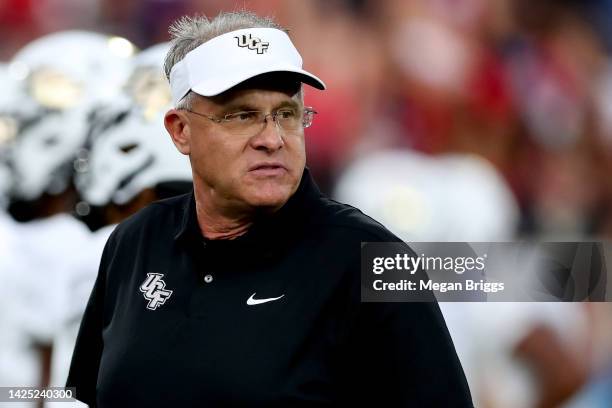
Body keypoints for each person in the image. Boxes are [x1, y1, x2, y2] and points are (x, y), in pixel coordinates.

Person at [67, 11, 472, 407]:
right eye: (243, 115)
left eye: (286, 114)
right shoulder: (135, 241)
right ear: (181, 130)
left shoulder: (370, 258)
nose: (272, 139)